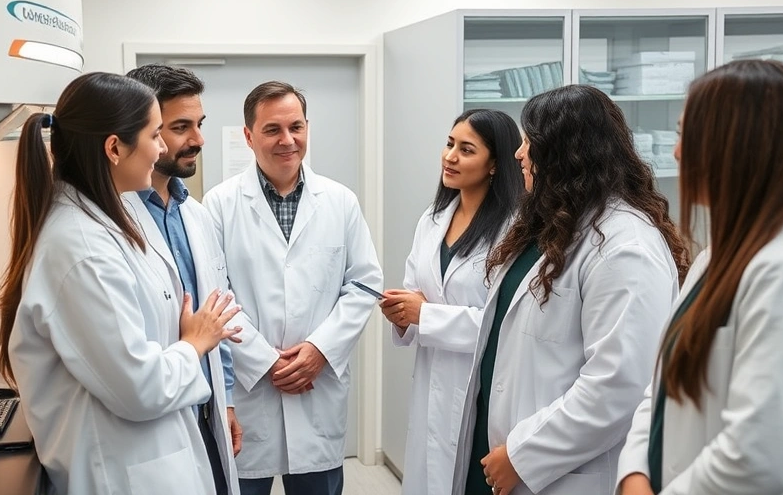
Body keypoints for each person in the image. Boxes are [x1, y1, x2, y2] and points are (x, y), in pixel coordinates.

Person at [617, 60, 783, 495]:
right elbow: (661, 389)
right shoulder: (720, 257)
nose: (676, 153)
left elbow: (757, 459)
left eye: (685, 137)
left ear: (739, 146)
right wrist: (635, 474)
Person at [0, 72, 241, 495]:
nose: (162, 147)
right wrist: (196, 342)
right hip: (121, 471)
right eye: (155, 135)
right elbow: (139, 388)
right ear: (114, 148)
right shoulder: (82, 246)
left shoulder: (101, 224)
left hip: (151, 455)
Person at [452, 84, 689, 495]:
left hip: (557, 470)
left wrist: (524, 455)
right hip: (501, 450)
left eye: (530, 143)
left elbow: (618, 386)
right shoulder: (554, 224)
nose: (518, 154)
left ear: (566, 153)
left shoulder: (625, 248)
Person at [203, 80, 383, 495]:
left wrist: (321, 350)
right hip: (250, 390)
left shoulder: (340, 201)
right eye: (272, 130)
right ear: (249, 136)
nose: (288, 140)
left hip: (317, 386)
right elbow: (217, 296)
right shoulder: (219, 204)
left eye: (296, 127)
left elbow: (363, 283)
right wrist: (266, 362)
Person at [380, 108, 523, 495]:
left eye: (466, 149)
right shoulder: (433, 218)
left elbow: (511, 324)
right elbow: (415, 291)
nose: (450, 157)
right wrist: (402, 313)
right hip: (433, 383)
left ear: (495, 164)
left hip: (484, 386)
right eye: (449, 144)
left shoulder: (516, 229)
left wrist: (425, 315)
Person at [122, 64, 243, 495]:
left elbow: (217, 315)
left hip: (205, 410)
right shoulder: (115, 221)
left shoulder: (197, 215)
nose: (198, 139)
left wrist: (224, 398)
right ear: (145, 130)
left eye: (199, 124)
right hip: (156, 419)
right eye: (180, 127)